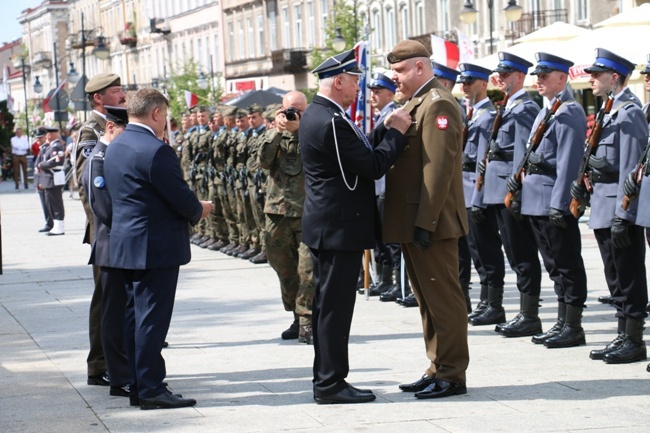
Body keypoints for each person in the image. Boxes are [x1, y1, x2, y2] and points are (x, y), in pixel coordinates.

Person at [300, 49, 411, 404]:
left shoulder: (323, 114)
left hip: (329, 225)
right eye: (353, 81)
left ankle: (328, 380)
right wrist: (396, 133)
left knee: (327, 307)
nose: (357, 88)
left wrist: (381, 129)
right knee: (334, 309)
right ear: (338, 81)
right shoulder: (331, 120)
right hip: (337, 228)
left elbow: (354, 151)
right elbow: (371, 165)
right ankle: (331, 383)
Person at [103, 89, 212, 409]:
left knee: (134, 317)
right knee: (152, 319)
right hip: (155, 245)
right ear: (155, 114)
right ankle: (151, 387)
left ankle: (138, 383)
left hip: (127, 243)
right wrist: (200, 208)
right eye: (165, 115)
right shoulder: (156, 150)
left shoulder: (117, 144)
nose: (166, 122)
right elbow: (179, 197)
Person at [383, 39, 469, 400]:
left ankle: (452, 374)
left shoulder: (437, 104)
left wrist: (425, 223)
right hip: (417, 221)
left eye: (400, 70)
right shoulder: (415, 104)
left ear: (420, 67)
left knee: (444, 300)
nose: (394, 78)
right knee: (428, 300)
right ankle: (436, 366)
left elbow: (438, 170)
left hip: (431, 223)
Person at [506, 53, 588, 343]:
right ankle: (562, 322)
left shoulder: (569, 111)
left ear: (562, 78)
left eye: (544, 76)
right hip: (536, 200)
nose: (538, 80)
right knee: (554, 265)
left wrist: (561, 202)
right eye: (537, 76)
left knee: (566, 263)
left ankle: (573, 326)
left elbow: (568, 161)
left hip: (553, 200)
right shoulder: (547, 110)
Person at [572, 48, 648, 364]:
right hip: (603, 206)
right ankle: (622, 335)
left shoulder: (628, 112)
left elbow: (631, 167)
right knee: (614, 275)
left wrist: (624, 214)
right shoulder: (609, 110)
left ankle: (633, 339)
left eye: (596, 74)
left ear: (613, 77)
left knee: (628, 274)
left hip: (619, 207)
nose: (591, 79)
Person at [470, 53, 542, 330]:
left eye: (506, 74)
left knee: (521, 253)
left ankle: (529, 315)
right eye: (499, 73)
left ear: (520, 77)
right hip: (496, 191)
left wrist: (516, 191)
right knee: (512, 252)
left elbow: (521, 155)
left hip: (509, 193)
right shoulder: (509, 107)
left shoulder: (524, 109)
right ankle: (521, 312)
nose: (499, 78)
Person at [72, 72, 126, 387]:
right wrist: (102, 225)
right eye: (116, 91)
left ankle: (116, 359)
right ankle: (99, 364)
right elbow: (88, 185)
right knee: (105, 298)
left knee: (116, 296)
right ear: (98, 98)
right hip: (106, 228)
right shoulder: (91, 129)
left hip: (119, 227)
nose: (122, 95)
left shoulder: (120, 123)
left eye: (122, 90)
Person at [81, 106, 131, 399]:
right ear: (111, 127)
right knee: (112, 313)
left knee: (119, 311)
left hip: (116, 244)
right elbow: (103, 207)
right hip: (112, 246)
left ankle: (119, 370)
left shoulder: (111, 154)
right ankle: (114, 373)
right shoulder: (99, 158)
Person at [259, 90, 314, 343]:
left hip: (305, 211)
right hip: (277, 212)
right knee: (284, 269)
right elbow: (263, 161)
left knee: (307, 270)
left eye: (299, 110)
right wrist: (278, 131)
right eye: (289, 110)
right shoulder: (272, 135)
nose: (293, 114)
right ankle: (295, 315)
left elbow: (319, 159)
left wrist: (301, 129)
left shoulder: (313, 132)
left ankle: (307, 320)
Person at [457, 63, 502, 318]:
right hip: (465, 191)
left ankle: (494, 304)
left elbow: (483, 161)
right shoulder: (473, 114)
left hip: (477, 192)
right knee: (476, 250)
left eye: (470, 83)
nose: (464, 88)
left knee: (486, 248)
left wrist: (478, 198)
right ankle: (486, 302)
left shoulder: (486, 117)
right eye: (463, 83)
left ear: (483, 84)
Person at [361, 72, 404, 302]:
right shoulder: (380, 117)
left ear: (391, 93)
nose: (373, 96)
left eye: (378, 92)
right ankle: (386, 280)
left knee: (392, 238)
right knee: (380, 237)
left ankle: (396, 282)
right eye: (372, 92)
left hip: (388, 184)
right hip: (378, 186)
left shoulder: (393, 116)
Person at [36, 126, 66, 236]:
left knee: (56, 203)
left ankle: (59, 227)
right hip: (49, 179)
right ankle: (55, 226)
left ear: (51, 135)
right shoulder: (52, 146)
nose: (47, 136)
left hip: (53, 178)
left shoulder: (56, 146)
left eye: (48, 133)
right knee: (50, 203)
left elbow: (54, 162)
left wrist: (41, 165)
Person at [32, 127, 53, 232]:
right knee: (45, 204)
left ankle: (50, 223)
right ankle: (49, 222)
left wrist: (41, 182)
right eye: (37, 138)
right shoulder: (42, 148)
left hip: (43, 181)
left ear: (45, 137)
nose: (38, 140)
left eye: (40, 138)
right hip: (41, 181)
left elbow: (43, 167)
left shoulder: (46, 148)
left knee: (47, 204)